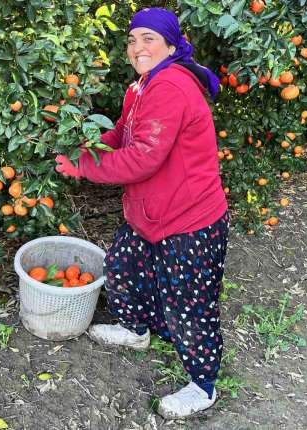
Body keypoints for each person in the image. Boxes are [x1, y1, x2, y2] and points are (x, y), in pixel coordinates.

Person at [55, 7, 229, 419]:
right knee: (123, 268)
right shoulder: (141, 87)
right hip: (150, 212)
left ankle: (203, 385)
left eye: (148, 38)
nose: (137, 47)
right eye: (132, 39)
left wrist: (83, 165)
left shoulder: (171, 86)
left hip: (188, 219)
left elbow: (142, 159)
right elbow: (122, 133)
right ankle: (135, 330)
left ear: (171, 45)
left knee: (188, 302)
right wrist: (88, 144)